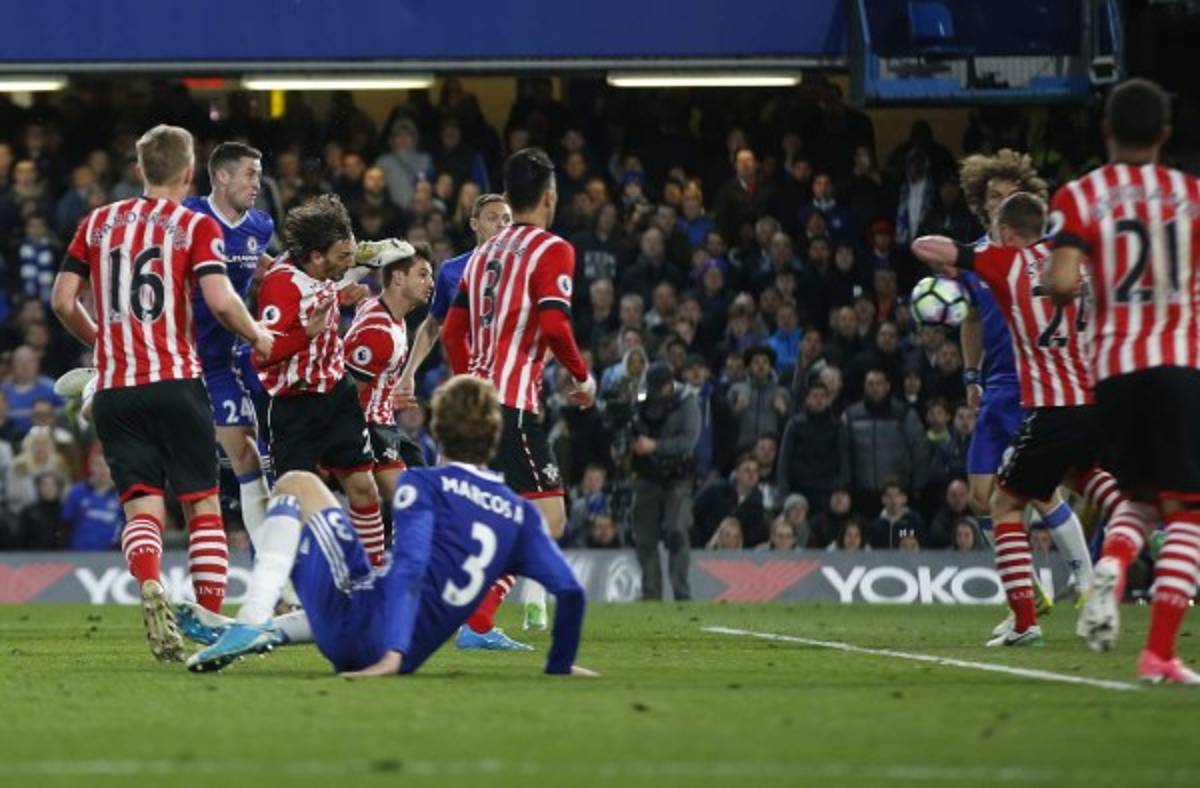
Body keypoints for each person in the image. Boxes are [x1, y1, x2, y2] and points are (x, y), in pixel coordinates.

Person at [182, 375, 596, 679]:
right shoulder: (519, 513)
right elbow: (571, 592)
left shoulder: (422, 484)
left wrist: (391, 655)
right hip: (395, 642)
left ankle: (252, 618)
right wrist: (559, 665)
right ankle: (269, 631)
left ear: (437, 431)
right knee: (369, 577)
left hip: (362, 635)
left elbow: (412, 568)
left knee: (296, 483)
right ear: (494, 438)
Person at [50, 124, 273, 660]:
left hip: (117, 390)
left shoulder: (97, 223)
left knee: (141, 508)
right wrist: (258, 334)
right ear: (190, 172)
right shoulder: (193, 225)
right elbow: (220, 302)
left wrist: (105, 342)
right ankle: (211, 617)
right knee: (201, 507)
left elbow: (62, 301)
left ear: (141, 169)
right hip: (176, 380)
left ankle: (150, 582)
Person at [915, 191, 1130, 646]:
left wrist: (971, 254)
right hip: (1097, 400)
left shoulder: (1006, 261)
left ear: (1009, 232)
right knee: (1085, 475)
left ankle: (1024, 620)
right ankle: (1138, 527)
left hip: (1051, 407)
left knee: (1004, 504)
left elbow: (927, 247)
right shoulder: (1080, 263)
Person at [1045, 78, 1200, 683]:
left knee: (1136, 499)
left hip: (1112, 369)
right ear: (1164, 135)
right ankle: (1158, 652)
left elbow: (1059, 282)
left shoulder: (1080, 196)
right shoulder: (1191, 195)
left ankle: (1111, 561)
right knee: (1186, 514)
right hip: (1179, 362)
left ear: (1106, 132)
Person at [442, 148, 596, 634]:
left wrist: (471, 386)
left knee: (511, 514)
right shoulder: (554, 250)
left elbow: (451, 333)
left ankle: (477, 613)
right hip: (513, 403)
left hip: (479, 403)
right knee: (549, 517)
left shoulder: (483, 252)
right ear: (550, 197)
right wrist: (581, 375)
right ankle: (477, 615)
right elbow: (554, 322)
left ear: (507, 197)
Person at [253, 195, 393, 570]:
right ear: (316, 256)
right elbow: (261, 355)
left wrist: (343, 295)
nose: (350, 264)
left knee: (364, 489)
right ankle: (292, 592)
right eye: (343, 257)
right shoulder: (280, 286)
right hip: (293, 406)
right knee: (292, 506)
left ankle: (372, 577)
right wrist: (304, 334)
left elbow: (330, 288)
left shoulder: (322, 274)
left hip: (336, 394)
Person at [182, 142, 278, 575]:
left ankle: (265, 572)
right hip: (178, 356)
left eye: (258, 175)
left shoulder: (259, 224)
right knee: (185, 467)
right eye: (250, 174)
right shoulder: (187, 216)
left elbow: (262, 267)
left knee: (247, 460)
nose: (257, 184)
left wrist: (334, 279)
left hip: (222, 361)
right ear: (221, 177)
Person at [397, 193, 511, 413]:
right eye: (492, 218)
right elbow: (432, 325)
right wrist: (409, 373)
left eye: (506, 219)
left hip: (510, 383)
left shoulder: (523, 269)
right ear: (474, 224)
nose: (501, 225)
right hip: (468, 380)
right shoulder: (451, 271)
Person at [342, 241, 434, 502]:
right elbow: (346, 394)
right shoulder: (379, 333)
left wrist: (386, 395)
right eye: (423, 274)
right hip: (368, 428)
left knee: (426, 493)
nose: (431, 283)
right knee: (412, 505)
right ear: (398, 278)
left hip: (385, 423)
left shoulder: (383, 310)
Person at [628, 363, 700, 601]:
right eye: (652, 388)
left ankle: (682, 592)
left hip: (678, 476)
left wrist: (656, 446)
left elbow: (689, 441)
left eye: (659, 388)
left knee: (676, 530)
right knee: (644, 536)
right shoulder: (642, 398)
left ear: (670, 384)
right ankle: (651, 594)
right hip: (648, 475)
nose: (655, 392)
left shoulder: (687, 401)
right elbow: (632, 426)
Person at [62, 447, 123, 551]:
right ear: (91, 466)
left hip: (110, 559)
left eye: (107, 465)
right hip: (77, 556)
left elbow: (127, 528)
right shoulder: (77, 492)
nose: (103, 470)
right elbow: (65, 526)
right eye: (99, 465)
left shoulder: (122, 496)